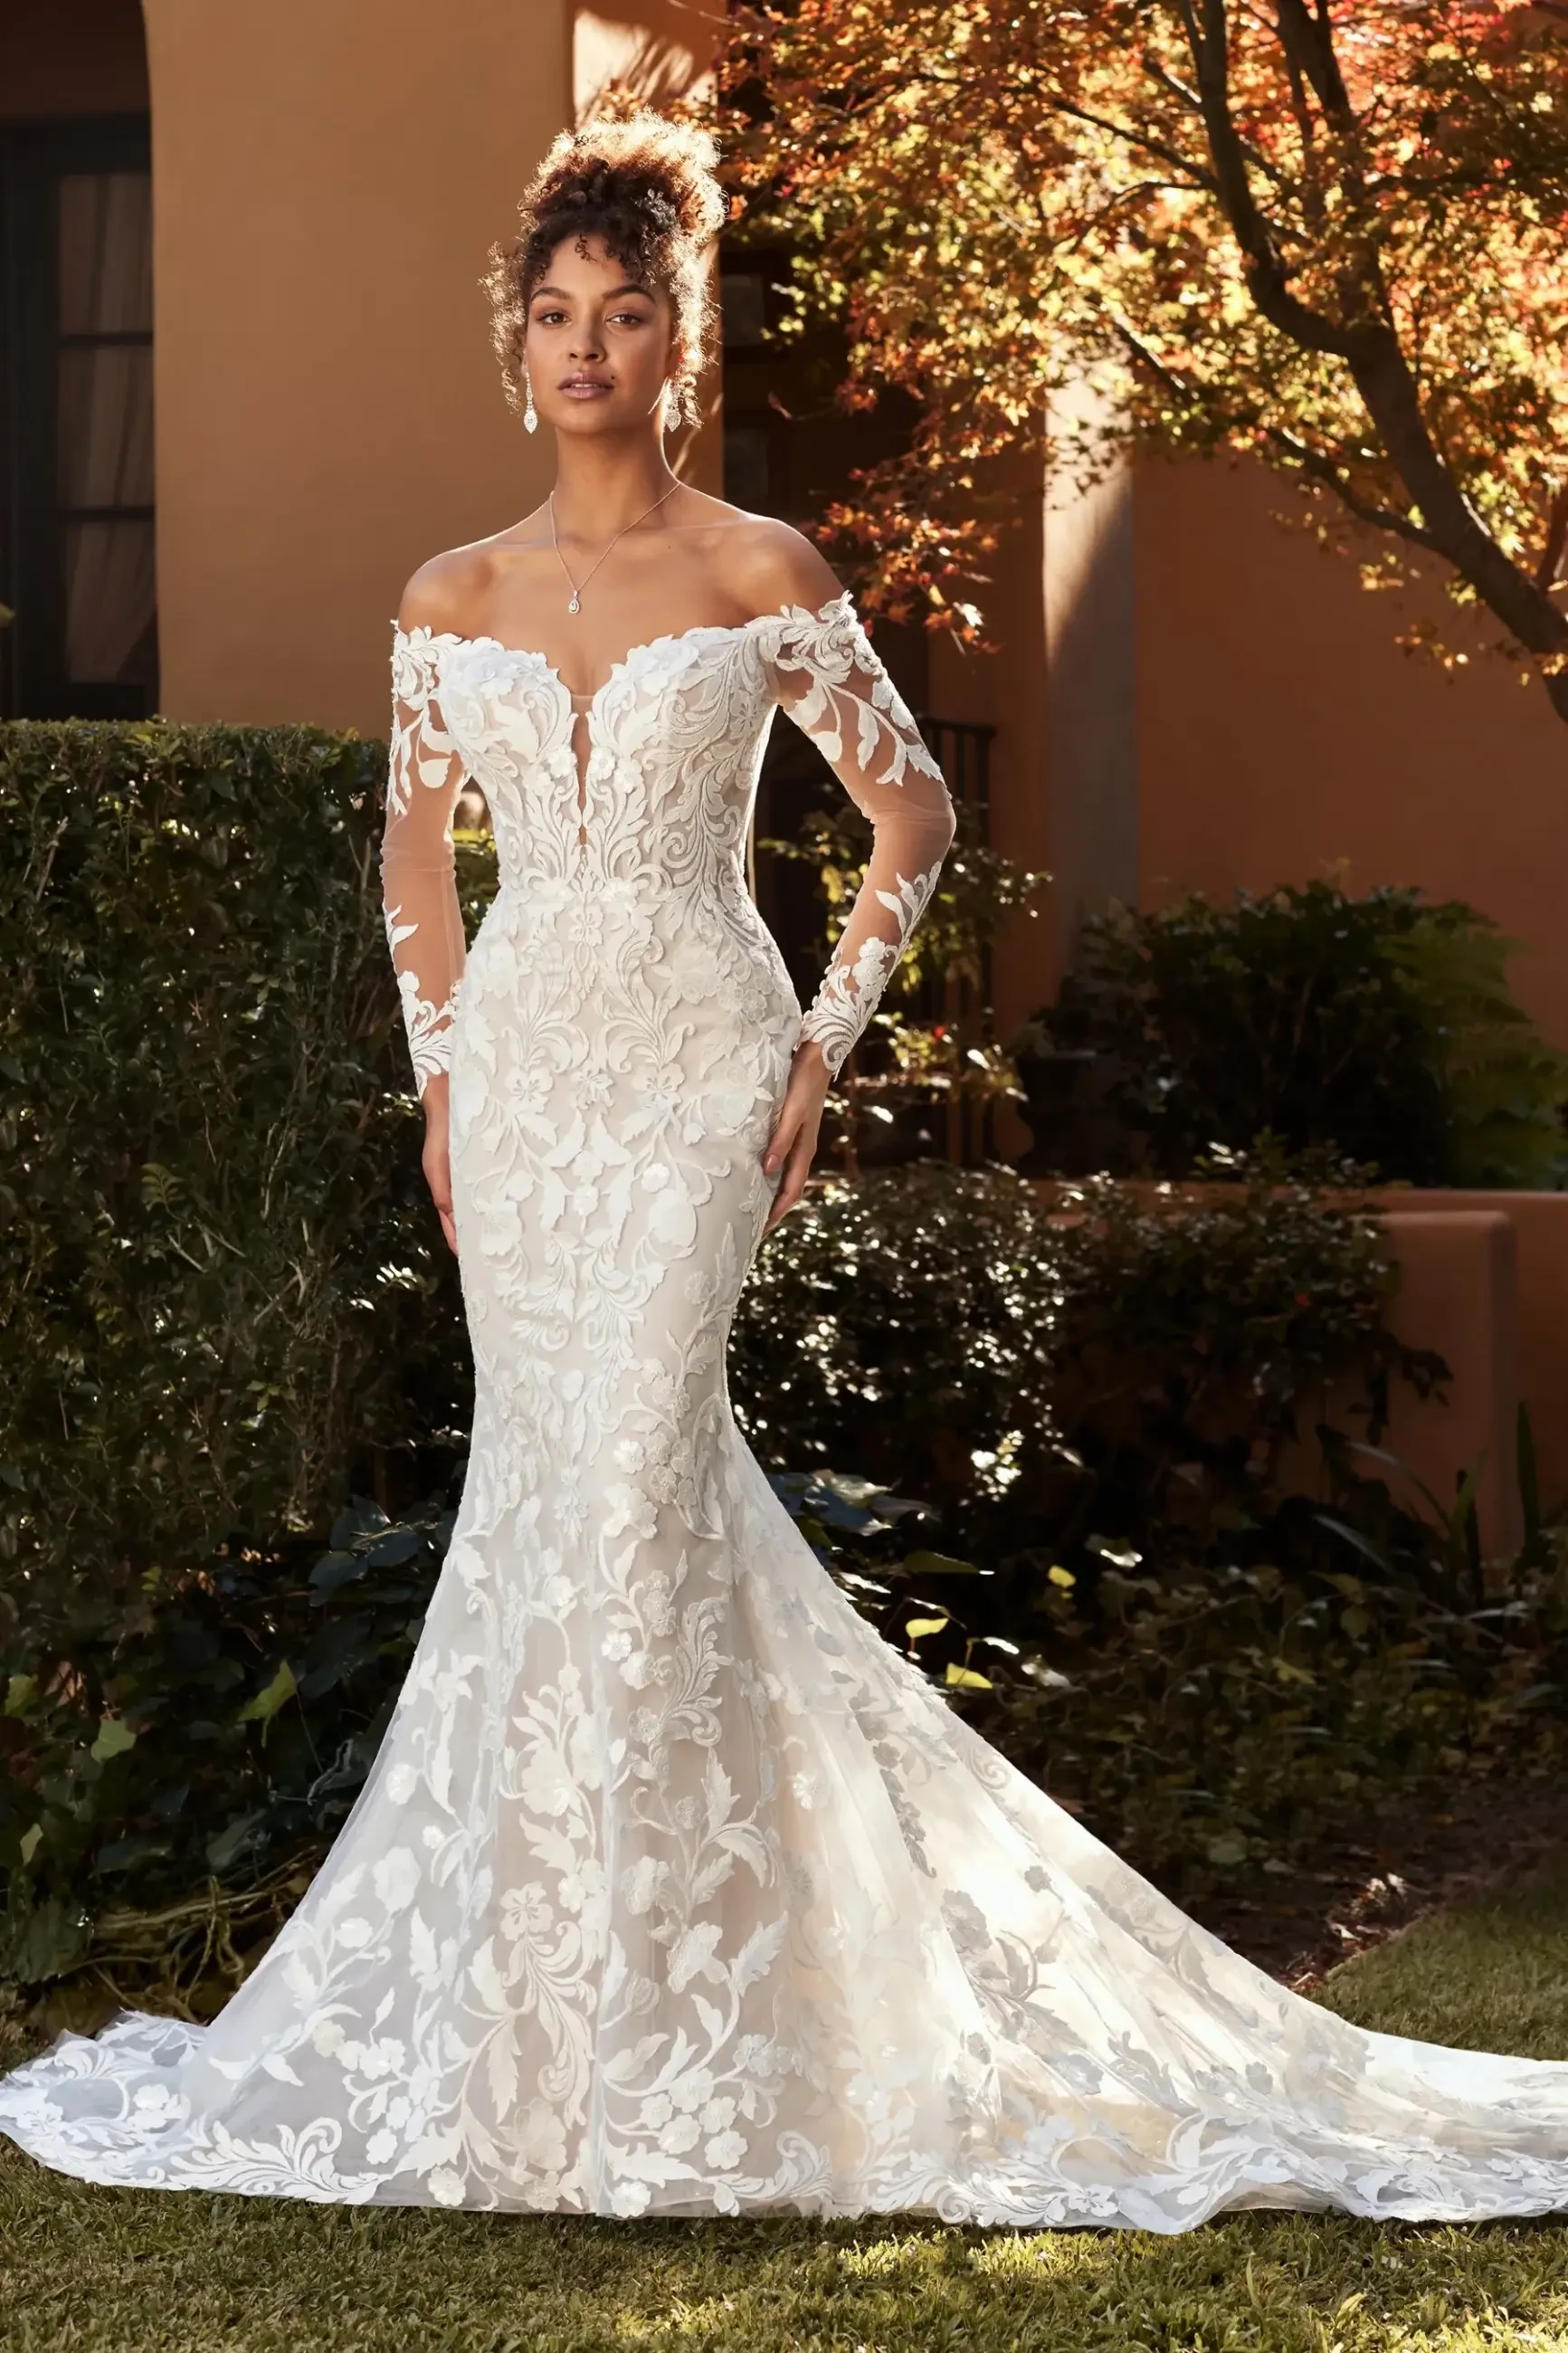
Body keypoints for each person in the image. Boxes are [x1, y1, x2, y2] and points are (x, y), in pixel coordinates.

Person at [3, 106, 1567, 2233]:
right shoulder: (441, 593)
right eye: (552, 314)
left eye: (622, 314)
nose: (584, 346)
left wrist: (825, 1044)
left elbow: (911, 813)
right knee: (556, 1517)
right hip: (530, 1089)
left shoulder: (762, 571)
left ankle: (680, 2050)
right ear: (517, 345)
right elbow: (408, 845)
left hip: (696, 1077)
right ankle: (552, 2044)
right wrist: (443, 1076)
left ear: (674, 343)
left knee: (638, 1484)